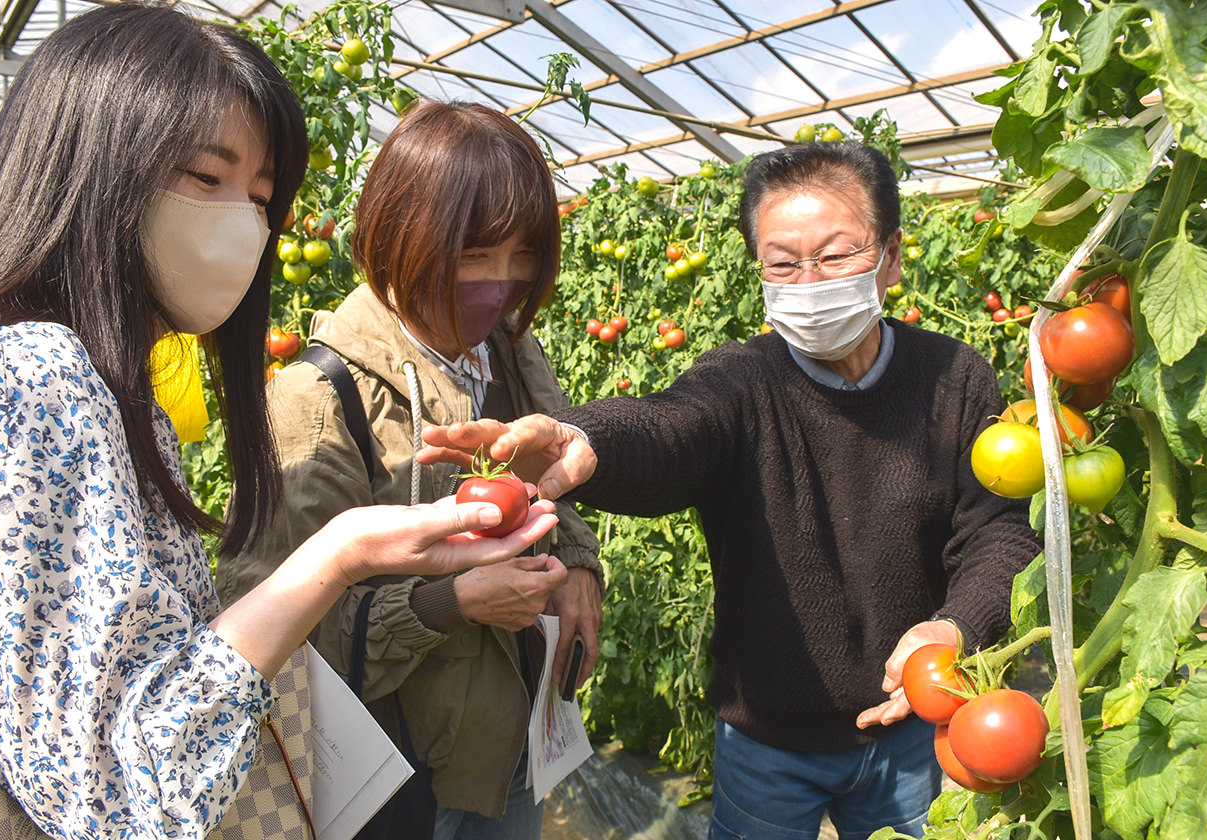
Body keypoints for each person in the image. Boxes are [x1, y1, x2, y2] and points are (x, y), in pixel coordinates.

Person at [0, 7, 560, 839]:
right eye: (205, 177)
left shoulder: (119, 389)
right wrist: (349, 561)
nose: (245, 225)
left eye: (260, 197)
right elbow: (116, 790)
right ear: (89, 160)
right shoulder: (38, 374)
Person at [419, 141, 1043, 840]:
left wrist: (955, 626)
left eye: (836, 255)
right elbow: (674, 429)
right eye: (782, 263)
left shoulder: (955, 379)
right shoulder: (742, 381)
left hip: (915, 725)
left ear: (892, 256)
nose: (808, 282)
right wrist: (586, 439)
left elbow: (999, 529)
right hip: (768, 740)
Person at [215, 100, 603, 840]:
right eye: (473, 254)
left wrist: (578, 561)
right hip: (398, 781)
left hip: (513, 739)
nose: (501, 281)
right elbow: (277, 635)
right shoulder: (317, 402)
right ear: (404, 238)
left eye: (522, 254)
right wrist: (448, 603)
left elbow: (552, 486)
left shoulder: (514, 356)